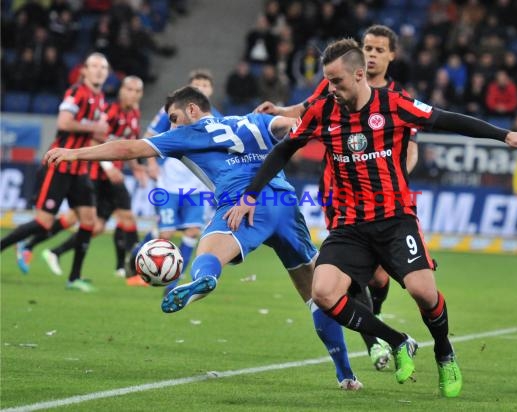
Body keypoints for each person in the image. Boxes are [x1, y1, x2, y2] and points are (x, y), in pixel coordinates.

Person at [224, 39, 517, 397]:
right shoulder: (323, 111)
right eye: (328, 82)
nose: (331, 89)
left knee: (424, 293)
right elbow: (284, 149)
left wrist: (504, 135)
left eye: (337, 81)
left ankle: (444, 352)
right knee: (324, 293)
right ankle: (397, 341)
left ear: (359, 75)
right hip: (350, 226)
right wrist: (250, 194)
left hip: (395, 220)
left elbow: (446, 118)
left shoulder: (394, 105)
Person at [44, 85, 362, 391]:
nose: (172, 123)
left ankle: (205, 278)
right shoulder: (251, 119)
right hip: (284, 203)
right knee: (315, 297)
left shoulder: (188, 133)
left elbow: (129, 149)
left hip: (243, 206)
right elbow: (291, 124)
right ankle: (346, 375)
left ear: (193, 110)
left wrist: (74, 154)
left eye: (174, 116)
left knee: (206, 252)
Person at [256, 24, 416, 371]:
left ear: (391, 55)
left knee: (379, 279)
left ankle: (377, 319)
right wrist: (280, 110)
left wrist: (397, 177)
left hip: (385, 201)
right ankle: (374, 342)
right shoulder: (335, 84)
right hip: (340, 197)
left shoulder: (397, 98)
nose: (372, 54)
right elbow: (308, 108)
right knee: (349, 275)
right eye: (368, 47)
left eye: (378, 49)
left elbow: (411, 147)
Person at [1, 52, 110, 292]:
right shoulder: (76, 92)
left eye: (103, 67)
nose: (99, 70)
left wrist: (98, 132)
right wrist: (94, 127)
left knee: (89, 221)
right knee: (44, 221)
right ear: (84, 70)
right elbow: (63, 122)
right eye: (94, 66)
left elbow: (101, 134)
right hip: (59, 164)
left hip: (80, 168)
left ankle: (74, 278)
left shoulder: (100, 98)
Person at [38, 76, 147, 286]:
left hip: (111, 177)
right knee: (125, 218)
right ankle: (133, 272)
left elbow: (130, 147)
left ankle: (53, 250)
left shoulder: (134, 114)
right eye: (129, 89)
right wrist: (108, 167)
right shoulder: (110, 111)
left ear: (140, 94)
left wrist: (138, 168)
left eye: (136, 90)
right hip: (98, 174)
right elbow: (95, 138)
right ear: (122, 90)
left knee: (95, 226)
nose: (132, 93)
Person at [130, 69, 222, 291]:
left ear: (211, 90)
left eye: (205, 85)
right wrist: (151, 164)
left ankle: (174, 281)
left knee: (192, 232)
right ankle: (139, 256)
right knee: (166, 234)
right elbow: (150, 137)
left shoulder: (217, 117)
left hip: (197, 188)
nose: (201, 88)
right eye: (197, 84)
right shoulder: (171, 113)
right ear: (189, 89)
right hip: (169, 183)